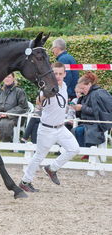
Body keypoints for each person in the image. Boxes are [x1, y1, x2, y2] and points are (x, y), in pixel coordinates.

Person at [20, 62, 80, 192]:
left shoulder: (64, 85)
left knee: (74, 149)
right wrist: (44, 95)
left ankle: (52, 168)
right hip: (47, 129)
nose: (58, 76)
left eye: (60, 73)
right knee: (39, 157)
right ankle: (25, 181)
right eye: (55, 73)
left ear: (64, 74)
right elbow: (38, 101)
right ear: (51, 74)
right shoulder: (47, 87)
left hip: (61, 128)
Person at [71, 72, 112, 148]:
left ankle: (86, 151)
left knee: (80, 131)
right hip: (87, 124)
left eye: (83, 88)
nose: (82, 91)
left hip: (97, 124)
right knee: (75, 130)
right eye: (81, 88)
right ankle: (83, 151)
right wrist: (77, 108)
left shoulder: (98, 93)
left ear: (89, 84)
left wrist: (82, 108)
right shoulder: (86, 95)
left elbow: (97, 112)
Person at [0, 73, 29, 142]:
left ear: (13, 79)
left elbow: (23, 107)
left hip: (13, 116)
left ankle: (7, 144)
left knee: (4, 124)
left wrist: (8, 114)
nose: (7, 79)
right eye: (5, 77)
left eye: (9, 77)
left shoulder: (19, 91)